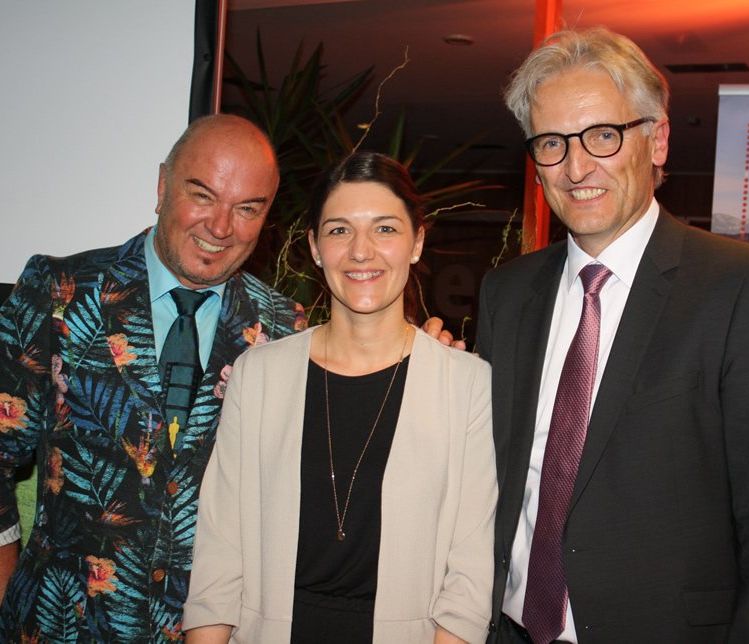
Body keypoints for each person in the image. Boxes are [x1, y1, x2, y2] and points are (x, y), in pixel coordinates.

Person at [0, 115, 458, 641]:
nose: (221, 227)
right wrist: (9, 598)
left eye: (247, 208)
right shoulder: (60, 293)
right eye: (203, 195)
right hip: (56, 628)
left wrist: (423, 363)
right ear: (161, 186)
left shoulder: (286, 329)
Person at [477, 27, 749, 643]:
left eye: (603, 136)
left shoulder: (741, 288)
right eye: (552, 143)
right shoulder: (507, 294)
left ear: (657, 140)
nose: (576, 167)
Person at [182, 151, 497, 643]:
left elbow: (469, 577)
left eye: (386, 229)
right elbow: (220, 555)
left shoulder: (467, 385)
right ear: (313, 246)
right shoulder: (258, 374)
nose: (361, 251)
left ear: (417, 241)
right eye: (339, 230)